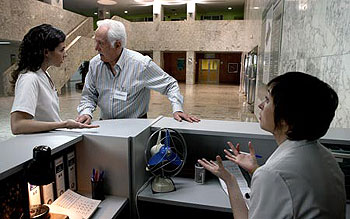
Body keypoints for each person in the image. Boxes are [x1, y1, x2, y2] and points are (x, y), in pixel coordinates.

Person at [198, 72, 345, 218]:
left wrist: (230, 180)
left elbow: (278, 180)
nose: (261, 105)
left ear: (286, 120)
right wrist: (255, 170)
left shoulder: (272, 174)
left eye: (268, 100)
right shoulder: (326, 156)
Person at [76, 19, 200, 124]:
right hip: (105, 124)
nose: (96, 48)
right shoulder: (95, 64)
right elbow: (89, 95)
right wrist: (86, 112)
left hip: (136, 126)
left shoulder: (141, 64)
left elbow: (170, 84)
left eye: (101, 43)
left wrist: (177, 109)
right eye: (95, 42)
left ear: (117, 45)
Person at [10, 24, 99, 135]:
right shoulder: (29, 79)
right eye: (61, 50)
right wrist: (64, 124)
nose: (65, 54)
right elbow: (18, 125)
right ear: (46, 52)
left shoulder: (44, 74)